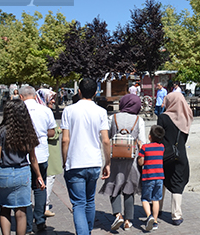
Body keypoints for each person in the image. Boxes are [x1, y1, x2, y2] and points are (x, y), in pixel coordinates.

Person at [0, 99, 45, 235]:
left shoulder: (1, 131)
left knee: (4, 209)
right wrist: (39, 175)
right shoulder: (27, 131)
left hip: (4, 173)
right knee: (21, 212)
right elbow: (33, 158)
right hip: (23, 173)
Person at [61, 78, 111, 235]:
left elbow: (65, 140)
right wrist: (107, 163)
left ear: (79, 91)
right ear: (96, 92)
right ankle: (87, 231)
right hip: (93, 162)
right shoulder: (101, 112)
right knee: (90, 201)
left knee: (78, 204)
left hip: (75, 162)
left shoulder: (69, 111)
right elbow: (105, 140)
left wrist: (65, 160)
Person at [99, 94, 146, 231]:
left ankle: (118, 214)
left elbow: (104, 138)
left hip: (114, 158)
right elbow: (142, 142)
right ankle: (128, 221)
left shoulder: (112, 118)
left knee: (113, 186)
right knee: (129, 188)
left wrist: (106, 159)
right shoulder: (139, 120)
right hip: (131, 159)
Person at [19, 86, 56, 233]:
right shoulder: (45, 110)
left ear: (21, 97)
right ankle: (40, 221)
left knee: (25, 190)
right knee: (40, 187)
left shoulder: (18, 111)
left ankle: (26, 223)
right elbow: (52, 132)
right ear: (35, 96)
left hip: (21, 155)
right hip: (41, 153)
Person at [157, 92, 193, 226]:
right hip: (180, 153)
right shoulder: (187, 116)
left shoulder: (163, 117)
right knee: (177, 182)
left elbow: (158, 136)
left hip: (164, 154)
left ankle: (157, 209)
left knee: (162, 180)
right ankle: (176, 216)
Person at [137, 125, 165, 231]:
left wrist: (140, 150)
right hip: (160, 177)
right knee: (156, 199)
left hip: (148, 177)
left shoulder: (145, 147)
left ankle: (149, 216)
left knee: (145, 198)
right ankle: (155, 221)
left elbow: (141, 162)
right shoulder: (162, 147)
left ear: (150, 137)